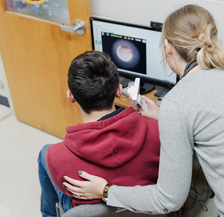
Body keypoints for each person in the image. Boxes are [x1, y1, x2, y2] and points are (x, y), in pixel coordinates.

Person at [62, 4, 224, 217]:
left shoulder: (179, 102)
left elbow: (167, 200)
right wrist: (164, 113)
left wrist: (105, 191)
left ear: (167, 46)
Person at [37, 51, 161, 217]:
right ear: (119, 91)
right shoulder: (158, 131)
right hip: (143, 209)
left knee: (44, 152)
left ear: (71, 96)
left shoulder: (56, 156)